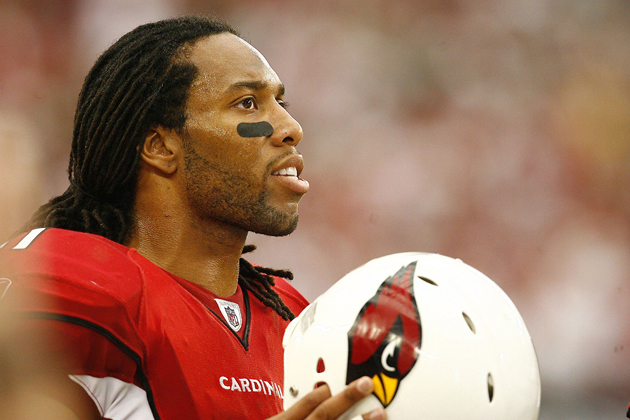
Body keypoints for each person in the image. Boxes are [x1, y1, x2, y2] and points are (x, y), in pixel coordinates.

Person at [0, 16, 386, 420]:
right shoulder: (70, 285)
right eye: (248, 103)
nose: (292, 128)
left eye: (281, 103)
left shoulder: (293, 317)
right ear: (161, 146)